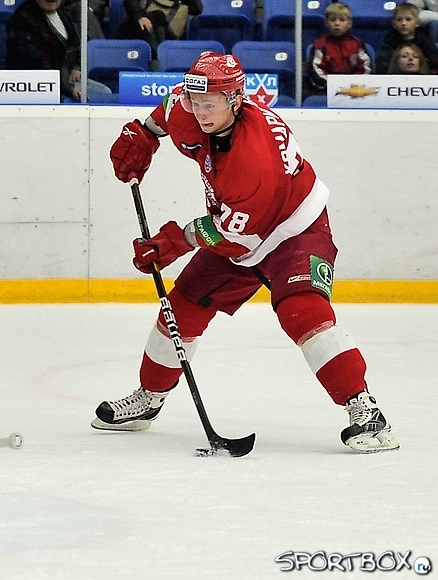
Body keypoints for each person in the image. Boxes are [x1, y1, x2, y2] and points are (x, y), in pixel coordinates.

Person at [96, 53, 399, 454]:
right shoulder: (189, 103)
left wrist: (175, 241)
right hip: (237, 225)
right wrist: (143, 134)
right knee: (182, 306)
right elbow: (166, 111)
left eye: (210, 105)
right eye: (195, 101)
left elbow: (239, 238)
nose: (199, 111)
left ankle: (365, 410)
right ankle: (149, 399)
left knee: (302, 311)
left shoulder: (254, 160)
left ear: (236, 99)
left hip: (294, 229)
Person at [5, 0, 112, 102]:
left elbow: (74, 42)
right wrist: (69, 88)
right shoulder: (22, 19)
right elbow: (38, 62)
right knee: (102, 93)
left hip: (63, 77)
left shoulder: (63, 12)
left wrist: (76, 66)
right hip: (36, 84)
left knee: (104, 93)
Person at [307, 2, 371, 96]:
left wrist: (354, 84)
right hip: (326, 92)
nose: (337, 24)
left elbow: (365, 67)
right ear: (326, 23)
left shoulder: (357, 44)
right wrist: (331, 85)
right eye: (333, 20)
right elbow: (316, 69)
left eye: (342, 20)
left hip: (355, 91)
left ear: (349, 23)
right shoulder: (320, 45)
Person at [117, 0, 202, 60]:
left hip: (163, 33)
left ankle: (158, 58)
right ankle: (159, 58)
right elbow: (129, 2)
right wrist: (140, 16)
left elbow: (197, 9)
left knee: (159, 17)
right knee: (158, 15)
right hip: (135, 29)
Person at [376, 2, 438, 74]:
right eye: (399, 20)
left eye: (408, 19)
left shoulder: (425, 41)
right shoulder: (389, 42)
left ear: (417, 23)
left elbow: (434, 62)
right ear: (394, 24)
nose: (403, 23)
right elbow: (383, 65)